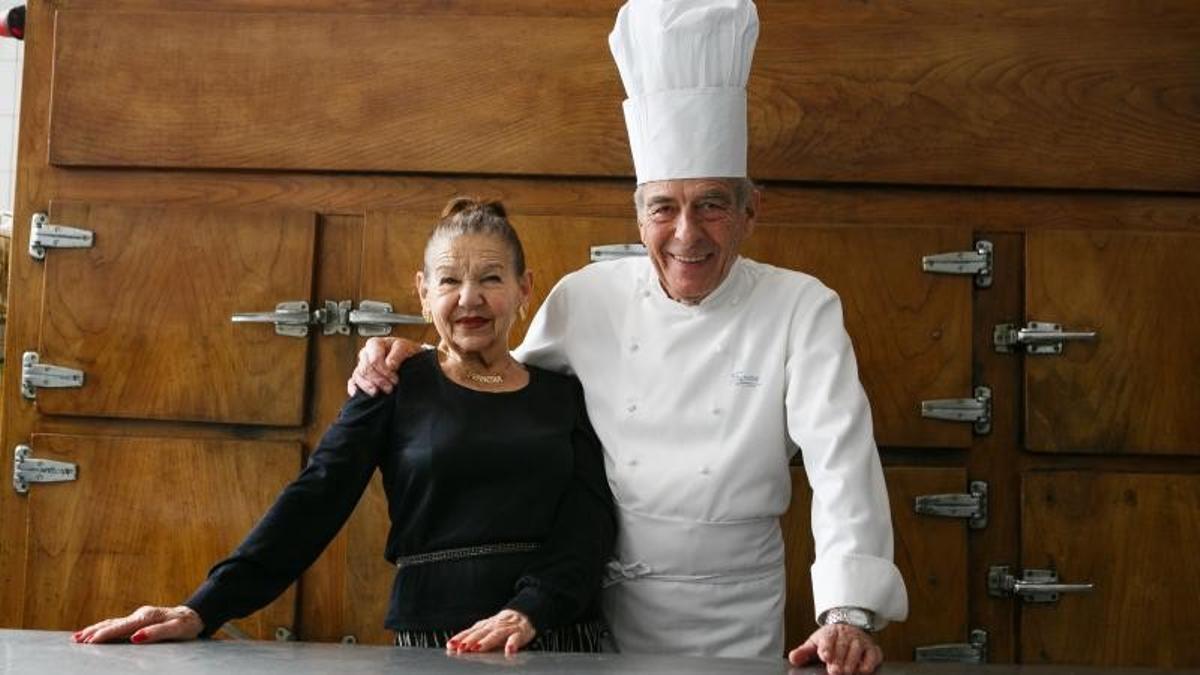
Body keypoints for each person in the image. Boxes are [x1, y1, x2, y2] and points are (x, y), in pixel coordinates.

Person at [348, 1, 907, 674]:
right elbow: (495, 387)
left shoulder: (800, 306)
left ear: (750, 211)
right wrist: (412, 358)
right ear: (638, 215)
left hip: (736, 614)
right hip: (591, 614)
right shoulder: (588, 297)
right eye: (664, 206)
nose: (686, 234)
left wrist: (846, 613)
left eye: (712, 205)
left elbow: (842, 461)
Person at [73, 198, 616, 655]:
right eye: (449, 280)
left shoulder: (563, 394)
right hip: (440, 639)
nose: (469, 298)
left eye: (491, 278)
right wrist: (203, 606)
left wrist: (530, 610)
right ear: (423, 293)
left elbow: (588, 526)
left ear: (525, 289)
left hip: (558, 632)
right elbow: (315, 498)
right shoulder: (393, 383)